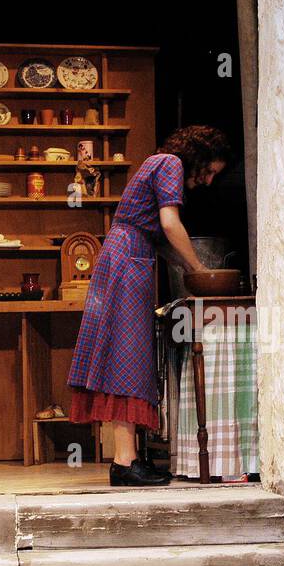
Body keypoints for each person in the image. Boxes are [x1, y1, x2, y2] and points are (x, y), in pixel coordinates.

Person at [67, 125, 230, 486]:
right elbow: (170, 225)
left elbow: (160, 237)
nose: (206, 181)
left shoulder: (157, 163)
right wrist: (200, 269)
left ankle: (126, 458)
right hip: (127, 262)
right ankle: (125, 462)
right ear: (199, 158)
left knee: (125, 356)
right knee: (126, 356)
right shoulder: (170, 163)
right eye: (209, 171)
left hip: (128, 258)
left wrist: (187, 269)